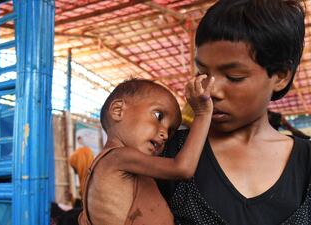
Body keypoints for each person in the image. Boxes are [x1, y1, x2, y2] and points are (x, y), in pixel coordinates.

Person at [157, 0, 311, 224]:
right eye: (202, 72)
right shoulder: (169, 155)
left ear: (280, 76)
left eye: (234, 77)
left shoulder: (306, 162)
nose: (211, 90)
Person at [79, 77, 215, 225]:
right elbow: (182, 168)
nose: (165, 134)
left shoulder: (115, 166)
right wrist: (202, 114)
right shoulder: (118, 157)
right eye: (158, 116)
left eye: (171, 131)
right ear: (118, 110)